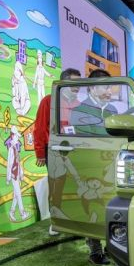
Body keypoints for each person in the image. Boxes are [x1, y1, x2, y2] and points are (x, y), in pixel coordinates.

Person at [34, 68, 81, 236]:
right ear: (63, 83)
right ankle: (55, 221)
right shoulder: (49, 101)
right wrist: (40, 153)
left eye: (79, 84)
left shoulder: (78, 104)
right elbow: (40, 127)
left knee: (75, 184)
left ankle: (75, 218)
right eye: (74, 83)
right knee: (57, 186)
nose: (77, 87)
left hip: (75, 151)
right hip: (54, 151)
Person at [69, 69, 117, 135]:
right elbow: (86, 139)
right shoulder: (79, 111)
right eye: (106, 87)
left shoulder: (112, 109)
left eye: (110, 87)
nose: (110, 92)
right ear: (92, 88)